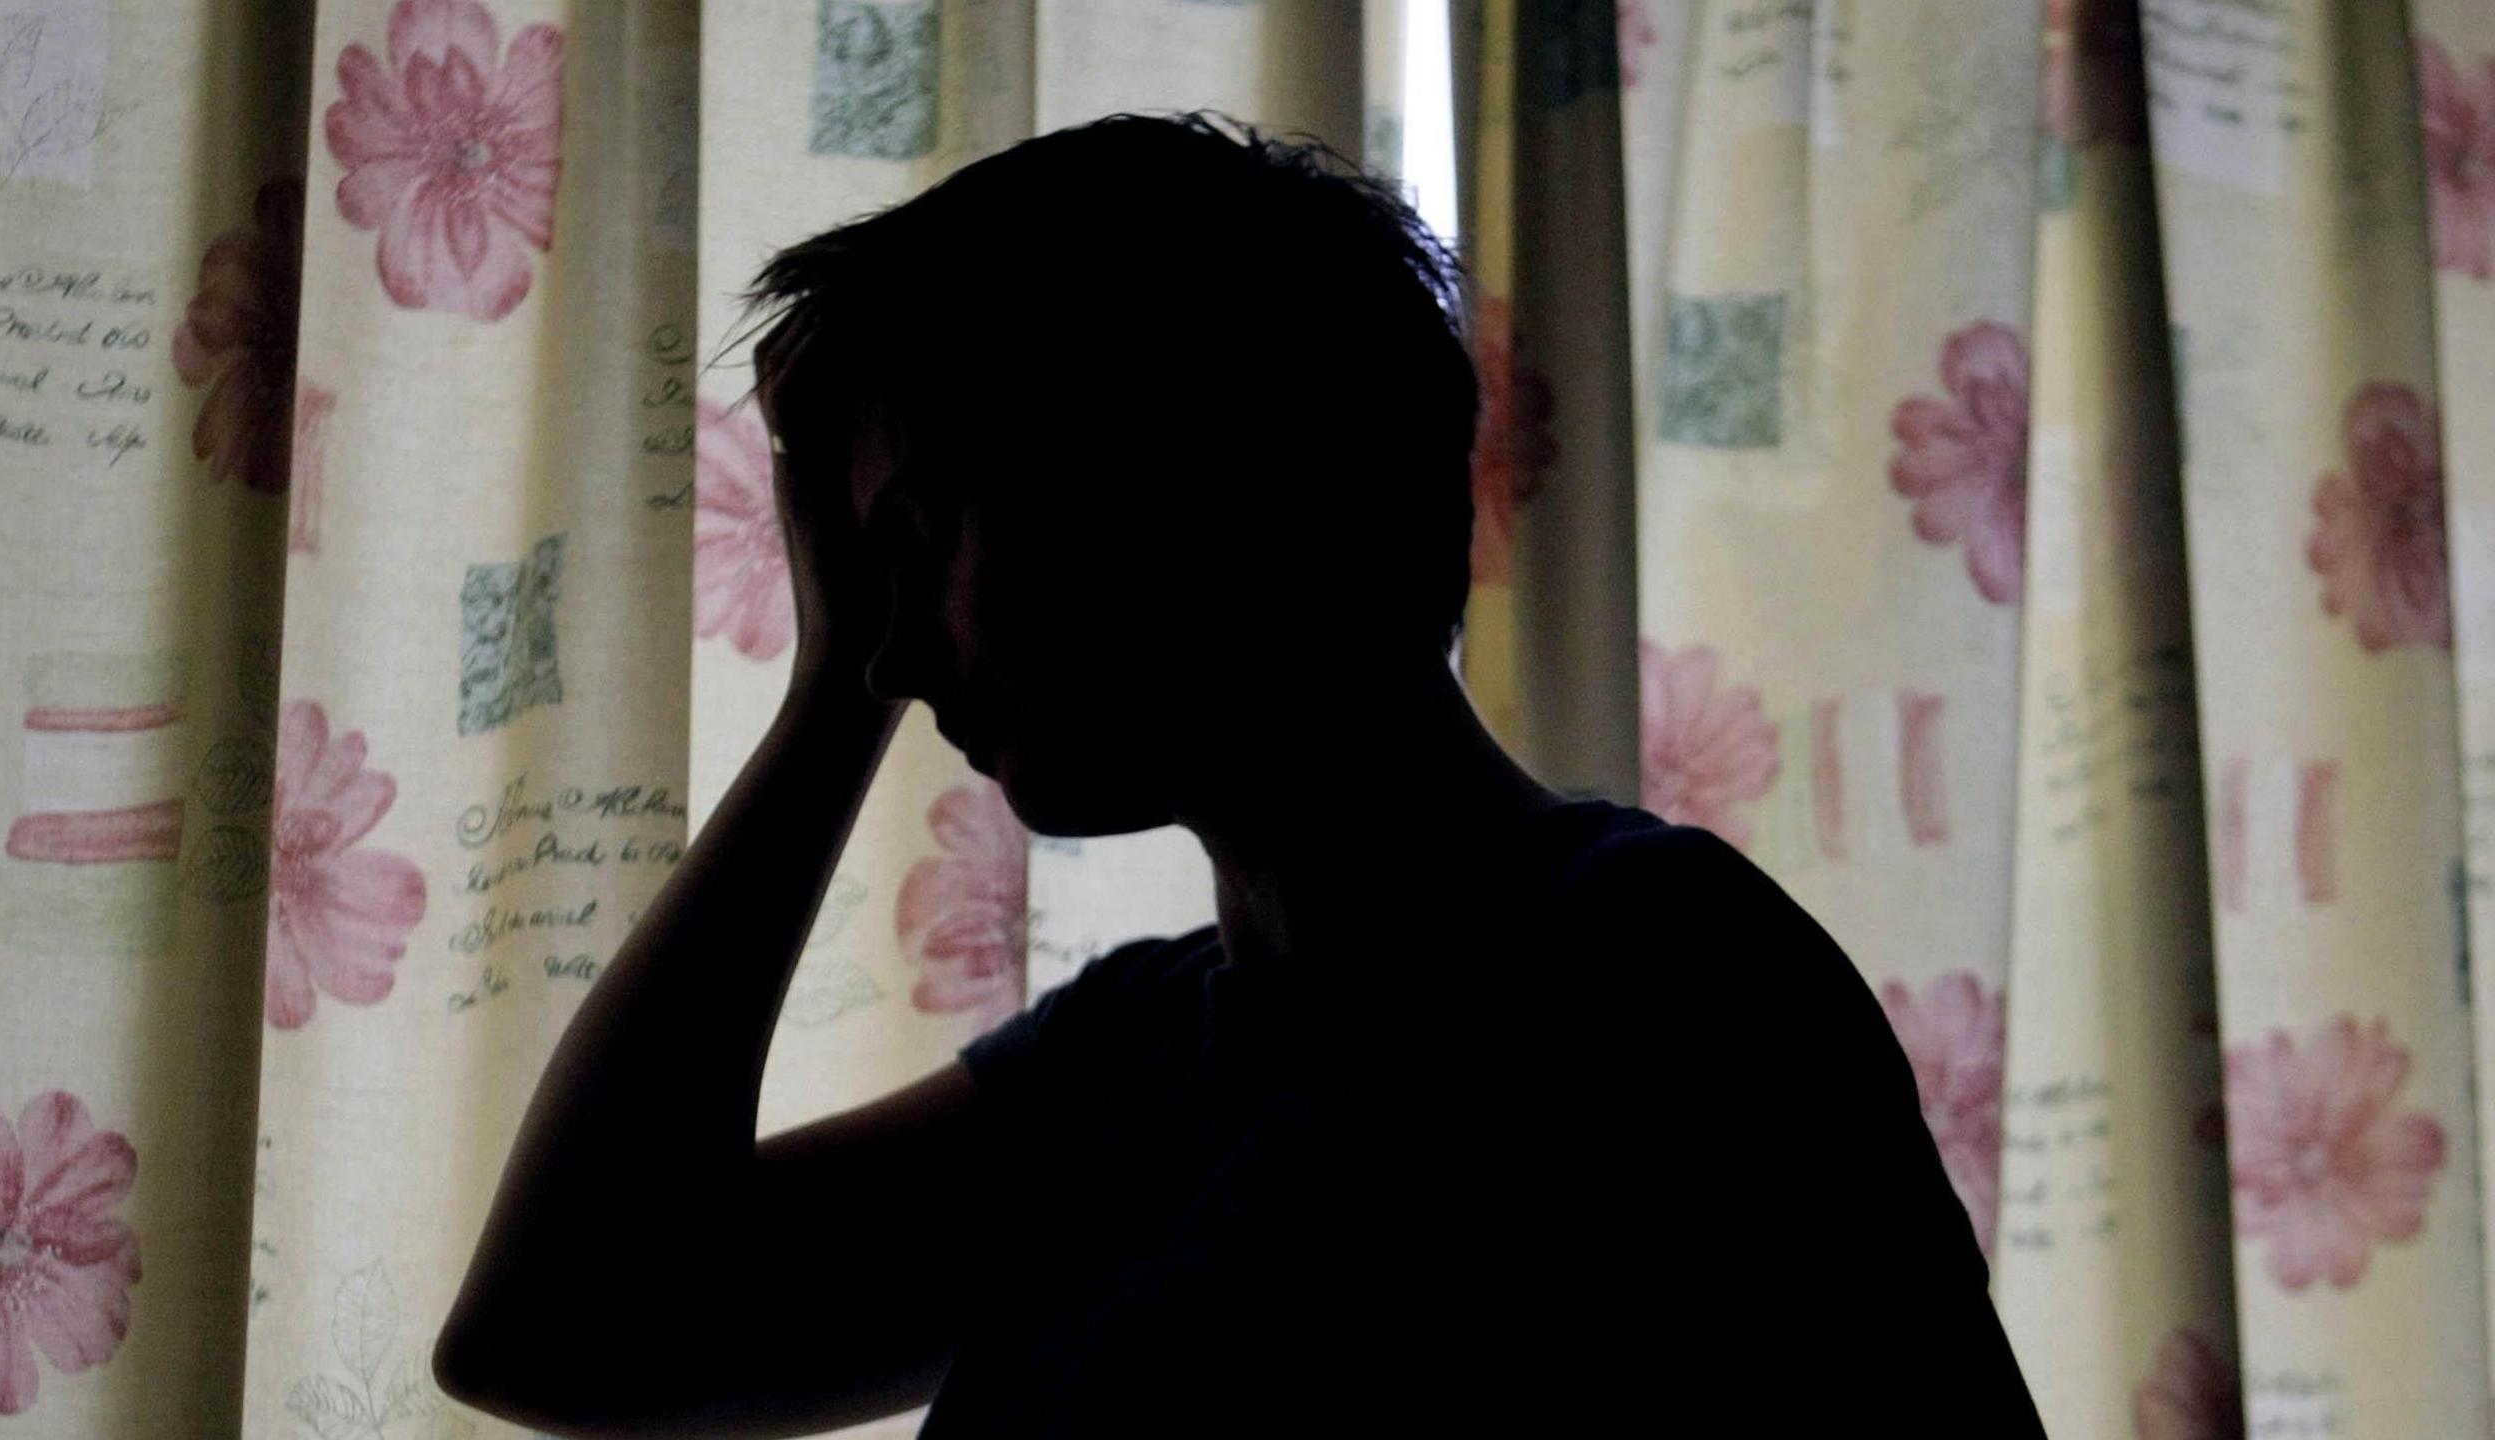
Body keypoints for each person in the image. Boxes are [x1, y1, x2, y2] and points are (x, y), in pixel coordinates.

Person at [430, 111, 2048, 1437]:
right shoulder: (1121, 1070)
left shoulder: (1651, 982)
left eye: (924, 541)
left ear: (1176, 482)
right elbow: (566, 1330)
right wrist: (827, 698)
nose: (899, 652)